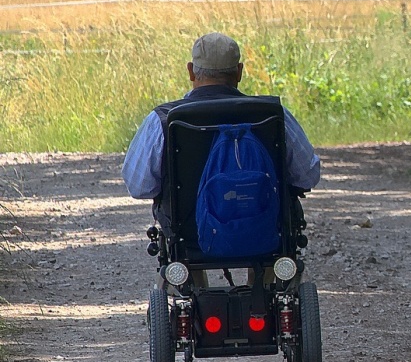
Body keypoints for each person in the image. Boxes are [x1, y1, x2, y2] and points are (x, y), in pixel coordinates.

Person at [121, 32, 321, 230]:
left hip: (188, 233)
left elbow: (140, 187)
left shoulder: (163, 119)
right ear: (239, 72)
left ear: (191, 72)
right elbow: (307, 176)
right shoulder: (274, 114)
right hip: (267, 230)